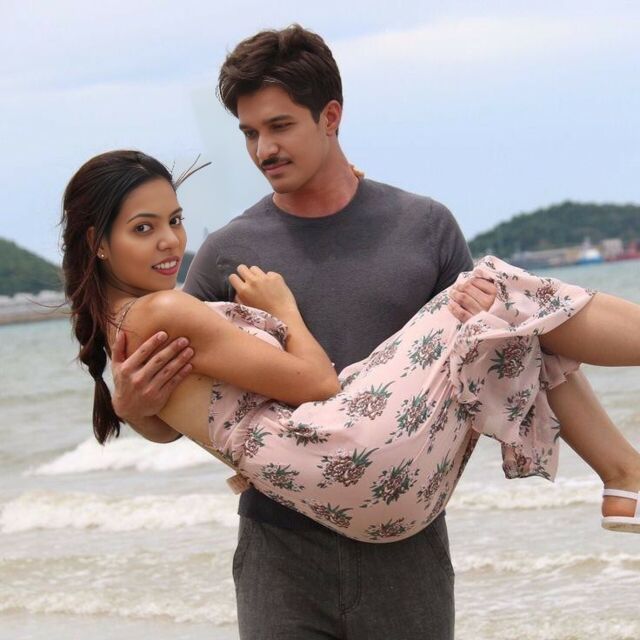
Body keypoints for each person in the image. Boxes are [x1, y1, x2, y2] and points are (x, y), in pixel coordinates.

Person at [96, 27, 640, 640]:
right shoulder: (228, 250)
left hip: (405, 553)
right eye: (249, 133)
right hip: (281, 548)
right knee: (519, 298)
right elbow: (182, 408)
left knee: (511, 312)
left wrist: (485, 312)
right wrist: (132, 407)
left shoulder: (423, 226)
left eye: (279, 126)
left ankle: (624, 473)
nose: (263, 149)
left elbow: (500, 360)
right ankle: (625, 473)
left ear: (330, 117)